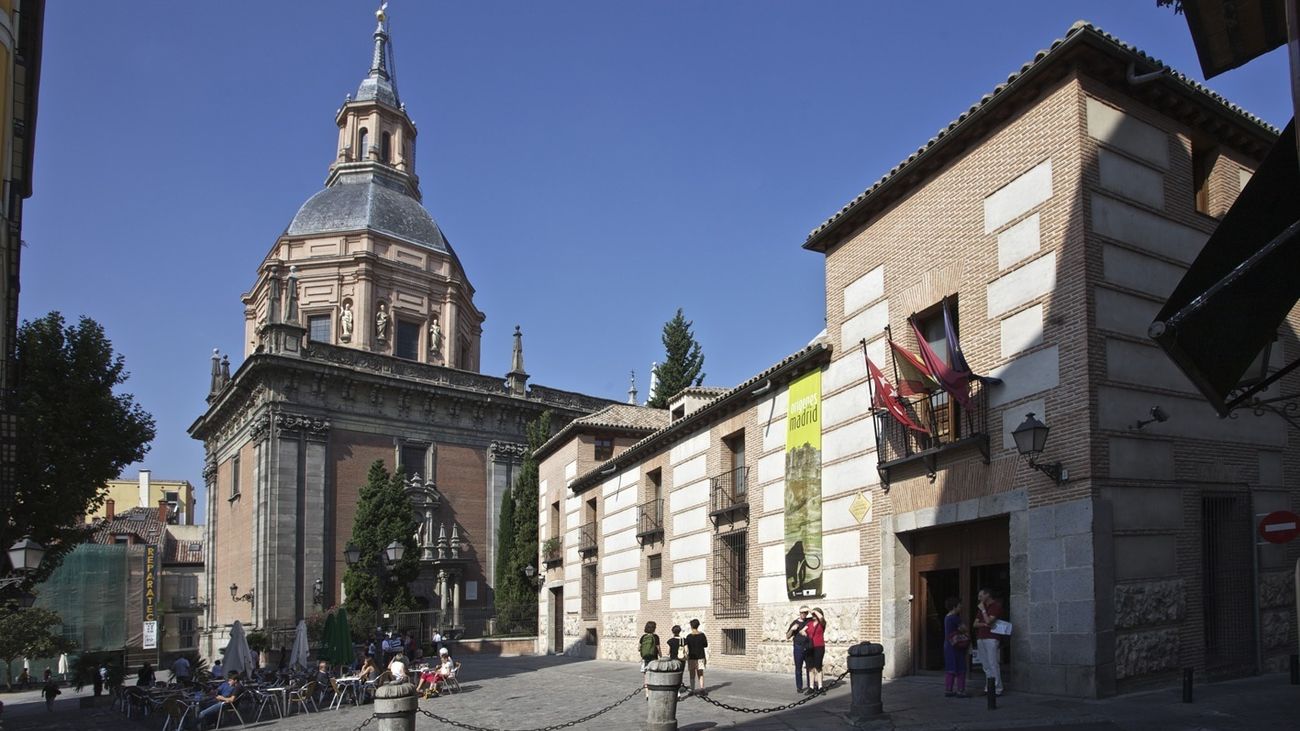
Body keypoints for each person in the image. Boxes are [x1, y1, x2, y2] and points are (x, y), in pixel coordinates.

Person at [973, 588, 1004, 696]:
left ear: (988, 595)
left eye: (981, 596)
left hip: (991, 637)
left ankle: (997, 688)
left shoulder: (996, 606)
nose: (979, 598)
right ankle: (989, 687)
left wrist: (983, 611)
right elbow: (975, 624)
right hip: (981, 637)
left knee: (993, 663)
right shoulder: (982, 607)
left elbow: (988, 621)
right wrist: (985, 624)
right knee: (985, 664)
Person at [943, 597, 970, 698]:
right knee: (960, 668)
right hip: (957, 645)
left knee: (950, 667)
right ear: (955, 607)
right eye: (959, 605)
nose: (961, 607)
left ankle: (948, 689)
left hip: (948, 645)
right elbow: (964, 629)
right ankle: (960, 690)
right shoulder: (955, 618)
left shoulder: (947, 617)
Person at [786, 606, 811, 694]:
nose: (803, 614)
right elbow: (788, 636)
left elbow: (818, 617)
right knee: (798, 668)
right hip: (798, 647)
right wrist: (792, 630)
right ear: (799, 613)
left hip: (808, 647)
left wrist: (809, 609)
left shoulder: (809, 621)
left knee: (809, 668)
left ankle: (810, 685)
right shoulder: (795, 622)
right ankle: (799, 687)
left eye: (805, 612)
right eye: (802, 612)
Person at [804, 607, 826, 693]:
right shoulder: (809, 623)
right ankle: (811, 687)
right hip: (810, 647)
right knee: (810, 668)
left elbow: (821, 618)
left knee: (818, 667)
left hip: (819, 646)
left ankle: (820, 686)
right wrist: (804, 633)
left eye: (814, 614)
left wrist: (815, 611)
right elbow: (802, 631)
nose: (813, 615)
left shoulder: (822, 623)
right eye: (812, 614)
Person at [683, 619, 709, 695]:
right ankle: (702, 689)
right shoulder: (702, 635)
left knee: (692, 674)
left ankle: (692, 689)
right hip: (700, 656)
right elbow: (705, 645)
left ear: (691, 626)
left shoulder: (688, 636)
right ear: (698, 626)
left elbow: (687, 647)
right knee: (700, 674)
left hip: (691, 657)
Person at [638, 621, 660, 699]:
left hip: (645, 659)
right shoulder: (656, 637)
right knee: (654, 675)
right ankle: (654, 691)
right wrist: (660, 656)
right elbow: (658, 648)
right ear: (654, 628)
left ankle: (647, 693)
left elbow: (638, 648)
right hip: (654, 658)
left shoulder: (643, 637)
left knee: (646, 676)